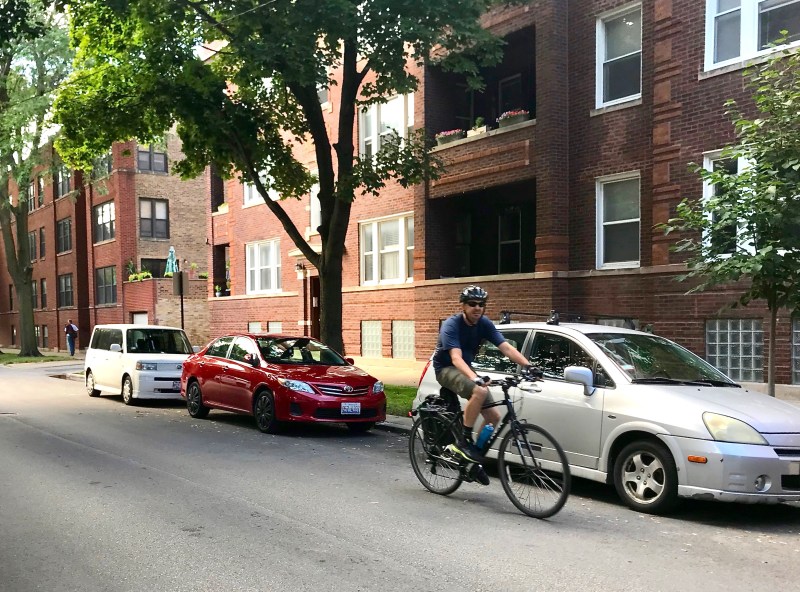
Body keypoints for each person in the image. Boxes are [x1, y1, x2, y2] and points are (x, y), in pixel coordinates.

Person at [432, 286, 532, 472]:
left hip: (465, 368)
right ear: (463, 306)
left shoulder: (484, 324)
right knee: (480, 389)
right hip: (446, 368)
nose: (477, 308)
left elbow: (507, 348)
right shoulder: (451, 325)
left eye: (481, 304)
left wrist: (529, 366)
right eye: (472, 304)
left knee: (494, 417)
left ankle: (472, 460)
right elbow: (456, 358)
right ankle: (464, 440)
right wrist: (475, 378)